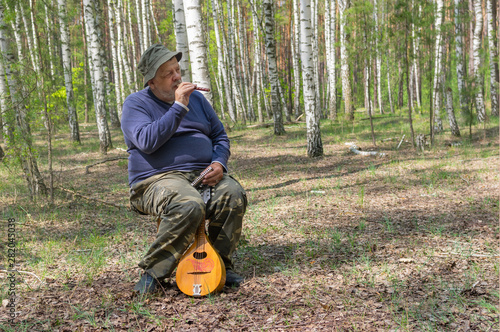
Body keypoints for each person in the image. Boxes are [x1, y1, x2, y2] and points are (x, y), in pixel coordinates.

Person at [121, 44, 247, 294]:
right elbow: (146, 141)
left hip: (201, 174)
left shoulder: (198, 99)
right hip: (155, 180)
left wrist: (219, 163)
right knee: (188, 203)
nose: (177, 77)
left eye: (177, 70)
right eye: (168, 74)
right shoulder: (135, 104)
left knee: (232, 193)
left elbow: (220, 136)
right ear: (151, 82)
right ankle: (153, 273)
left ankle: (220, 264)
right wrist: (179, 107)